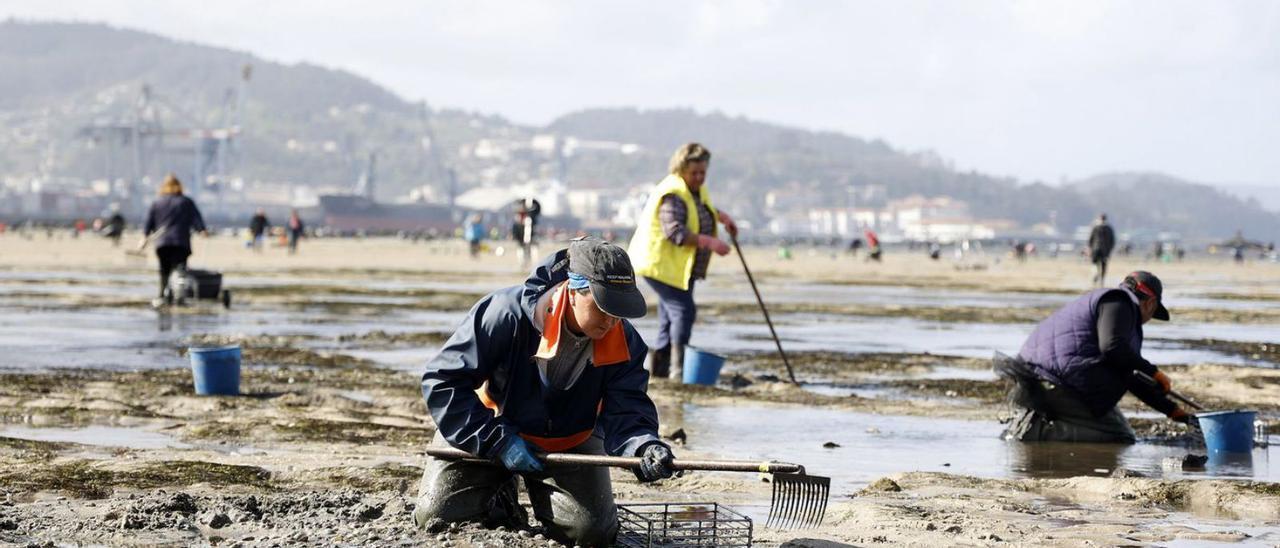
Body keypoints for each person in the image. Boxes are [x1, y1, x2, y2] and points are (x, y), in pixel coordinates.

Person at [414, 239, 673, 546]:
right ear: (574, 290)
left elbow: (628, 410)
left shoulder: (625, 340)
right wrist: (498, 443)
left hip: (570, 441)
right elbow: (443, 381)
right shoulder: (505, 314)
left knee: (591, 534)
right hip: (488, 429)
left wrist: (643, 446)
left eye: (620, 309)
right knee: (436, 516)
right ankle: (502, 494)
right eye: (604, 307)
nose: (612, 320)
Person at [998, 271, 1196, 443]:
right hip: (1055, 380)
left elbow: (1128, 374)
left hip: (1042, 374)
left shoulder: (1109, 304)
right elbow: (1112, 348)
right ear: (1151, 304)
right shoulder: (1120, 303)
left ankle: (1041, 421)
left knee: (1116, 425)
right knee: (1120, 436)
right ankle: (1039, 432)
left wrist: (1171, 410)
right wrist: (1154, 371)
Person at [627, 143, 738, 380]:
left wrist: (721, 217)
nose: (699, 177)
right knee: (683, 311)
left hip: (678, 268)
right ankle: (678, 370)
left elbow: (698, 208)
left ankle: (659, 372)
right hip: (659, 265)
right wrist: (710, 243)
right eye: (694, 172)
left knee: (670, 318)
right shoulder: (673, 194)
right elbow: (675, 232)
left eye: (703, 172)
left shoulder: (693, 190)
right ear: (681, 169)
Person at [140, 174, 207, 307]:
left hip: (162, 243)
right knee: (180, 269)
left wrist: (144, 237)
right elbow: (196, 218)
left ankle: (162, 296)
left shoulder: (157, 202)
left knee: (164, 270)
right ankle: (180, 297)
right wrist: (202, 230)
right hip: (180, 242)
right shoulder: (186, 202)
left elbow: (149, 222)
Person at [1087, 214, 1116, 287]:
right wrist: (1109, 250)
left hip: (1096, 250)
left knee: (1096, 265)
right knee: (1103, 267)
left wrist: (1090, 249)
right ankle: (1100, 280)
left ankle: (1097, 278)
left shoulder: (1095, 227)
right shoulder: (1109, 228)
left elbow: (1090, 240)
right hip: (1104, 251)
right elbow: (1112, 241)